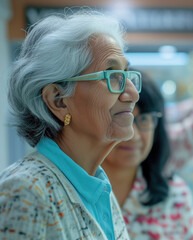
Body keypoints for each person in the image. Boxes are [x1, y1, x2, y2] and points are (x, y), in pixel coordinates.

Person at [0, 11, 140, 240]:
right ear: (58, 100)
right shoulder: (25, 191)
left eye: (127, 74)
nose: (132, 94)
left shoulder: (98, 187)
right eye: (112, 76)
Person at [102, 69, 193, 239]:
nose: (133, 135)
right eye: (123, 119)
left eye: (144, 120)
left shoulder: (174, 196)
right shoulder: (73, 192)